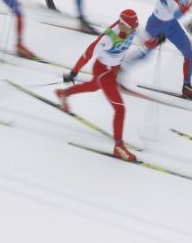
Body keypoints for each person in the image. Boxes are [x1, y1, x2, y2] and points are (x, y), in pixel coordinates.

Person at [57, 9, 139, 161]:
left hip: (113, 69)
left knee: (93, 86)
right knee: (120, 109)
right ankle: (118, 147)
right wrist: (74, 72)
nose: (133, 31)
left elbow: (144, 36)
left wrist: (156, 39)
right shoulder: (108, 38)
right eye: (131, 28)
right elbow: (87, 53)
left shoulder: (131, 28)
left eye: (134, 28)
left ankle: (64, 93)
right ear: (122, 24)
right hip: (104, 72)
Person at [123, 0, 192, 100]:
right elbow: (177, 14)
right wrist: (191, 3)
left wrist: (191, 2)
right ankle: (121, 68)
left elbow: (175, 15)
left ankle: (187, 86)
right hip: (157, 25)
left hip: (171, 25)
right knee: (146, 54)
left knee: (189, 53)